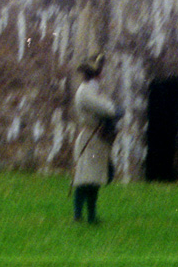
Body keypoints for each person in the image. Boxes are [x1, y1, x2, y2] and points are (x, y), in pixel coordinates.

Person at [72, 52, 123, 224]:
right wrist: (115, 109)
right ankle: (80, 216)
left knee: (93, 180)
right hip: (91, 138)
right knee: (86, 179)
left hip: (96, 139)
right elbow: (109, 110)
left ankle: (89, 216)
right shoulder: (86, 92)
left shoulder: (91, 89)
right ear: (97, 72)